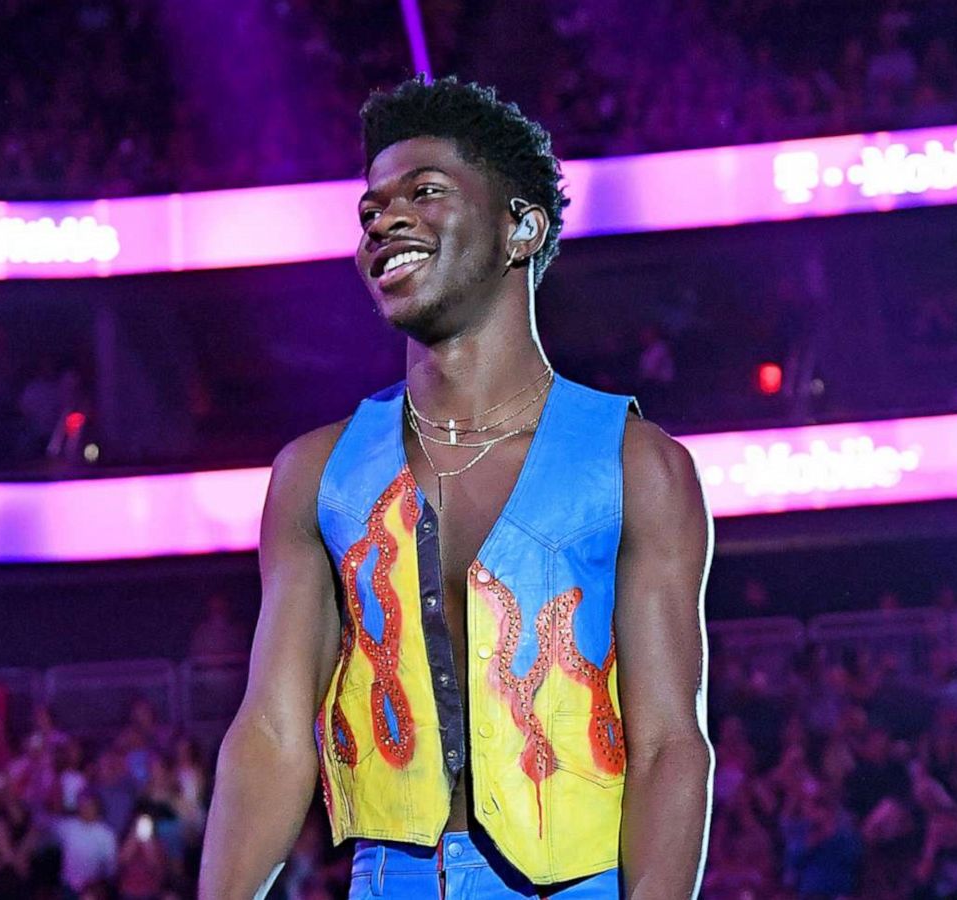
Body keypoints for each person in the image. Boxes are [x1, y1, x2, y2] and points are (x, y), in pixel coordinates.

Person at [200, 77, 713, 899]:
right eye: (370, 210)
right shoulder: (316, 473)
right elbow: (270, 734)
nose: (384, 220)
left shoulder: (637, 464)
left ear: (521, 229)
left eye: (425, 191)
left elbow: (667, 747)